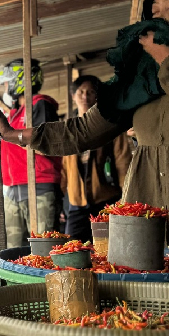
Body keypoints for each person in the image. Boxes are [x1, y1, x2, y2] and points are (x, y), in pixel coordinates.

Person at [0, 0, 169, 255]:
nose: (160, 18)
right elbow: (85, 130)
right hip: (150, 218)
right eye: (154, 11)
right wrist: (20, 135)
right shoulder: (140, 79)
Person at [0, 58, 63, 247]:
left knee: (43, 250)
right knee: (13, 252)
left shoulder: (40, 105)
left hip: (39, 186)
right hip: (14, 189)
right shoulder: (17, 112)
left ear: (21, 80)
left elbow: (41, 142)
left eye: (8, 82)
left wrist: (9, 134)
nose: (7, 87)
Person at [60, 75, 132, 241]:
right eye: (81, 92)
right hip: (77, 202)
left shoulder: (110, 125)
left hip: (106, 198)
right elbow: (65, 167)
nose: (85, 96)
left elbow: (123, 161)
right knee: (74, 247)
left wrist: (124, 196)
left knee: (106, 247)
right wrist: (64, 197)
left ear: (97, 97)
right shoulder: (69, 128)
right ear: (73, 96)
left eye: (91, 92)